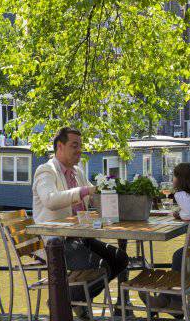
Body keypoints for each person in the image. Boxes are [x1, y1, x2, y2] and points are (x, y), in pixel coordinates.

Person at [32, 127, 128, 301]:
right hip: (56, 241)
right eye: (74, 145)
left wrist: (118, 195)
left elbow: (93, 197)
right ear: (59, 146)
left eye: (80, 145)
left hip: (81, 236)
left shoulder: (78, 172)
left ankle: (76, 301)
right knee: (101, 266)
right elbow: (50, 200)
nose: (79, 150)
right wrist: (83, 191)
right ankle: (62, 303)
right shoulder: (46, 171)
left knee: (120, 259)